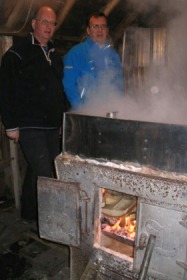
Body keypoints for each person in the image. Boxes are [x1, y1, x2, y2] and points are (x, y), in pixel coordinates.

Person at [0, 6, 67, 221]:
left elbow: (59, 90)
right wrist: (10, 125)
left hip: (51, 125)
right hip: (30, 126)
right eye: (44, 21)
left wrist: (62, 120)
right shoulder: (18, 53)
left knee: (36, 170)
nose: (49, 27)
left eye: (52, 23)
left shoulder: (56, 55)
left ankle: (29, 214)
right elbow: (5, 89)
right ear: (34, 23)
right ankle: (52, 222)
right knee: (47, 174)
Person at [62, 11, 124, 110]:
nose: (100, 30)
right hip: (86, 112)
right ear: (88, 30)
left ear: (107, 30)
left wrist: (118, 107)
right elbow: (69, 86)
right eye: (95, 26)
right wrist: (82, 110)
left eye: (103, 26)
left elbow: (119, 84)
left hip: (110, 111)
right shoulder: (76, 53)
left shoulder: (113, 56)